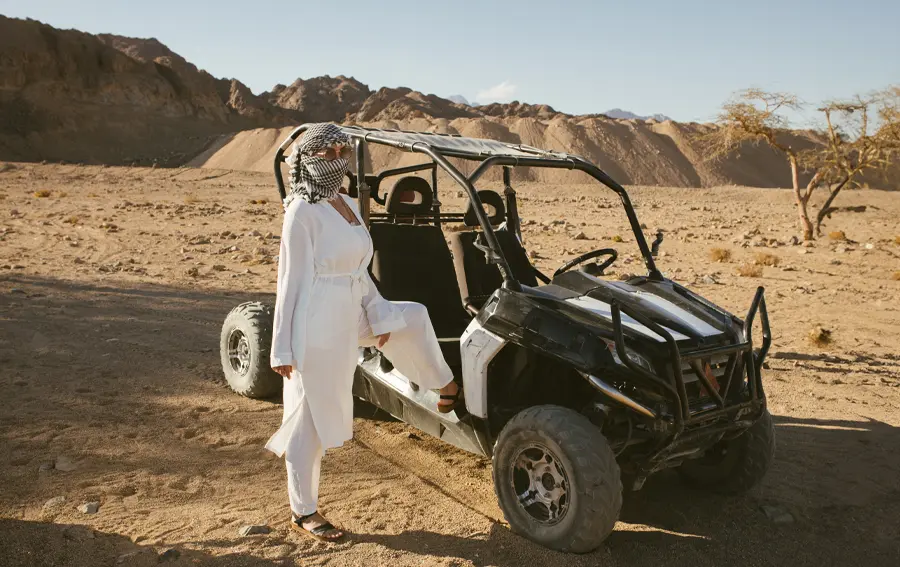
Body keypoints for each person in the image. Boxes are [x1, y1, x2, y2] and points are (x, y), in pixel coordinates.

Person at [265, 123, 462, 542]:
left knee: (411, 316)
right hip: (314, 322)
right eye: (328, 153)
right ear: (308, 159)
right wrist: (280, 347)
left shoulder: (349, 203)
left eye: (342, 151)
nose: (337, 159)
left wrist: (377, 314)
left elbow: (360, 271)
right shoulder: (301, 211)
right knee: (308, 417)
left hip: (351, 308)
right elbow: (290, 280)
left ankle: (443, 385)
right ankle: (304, 511)